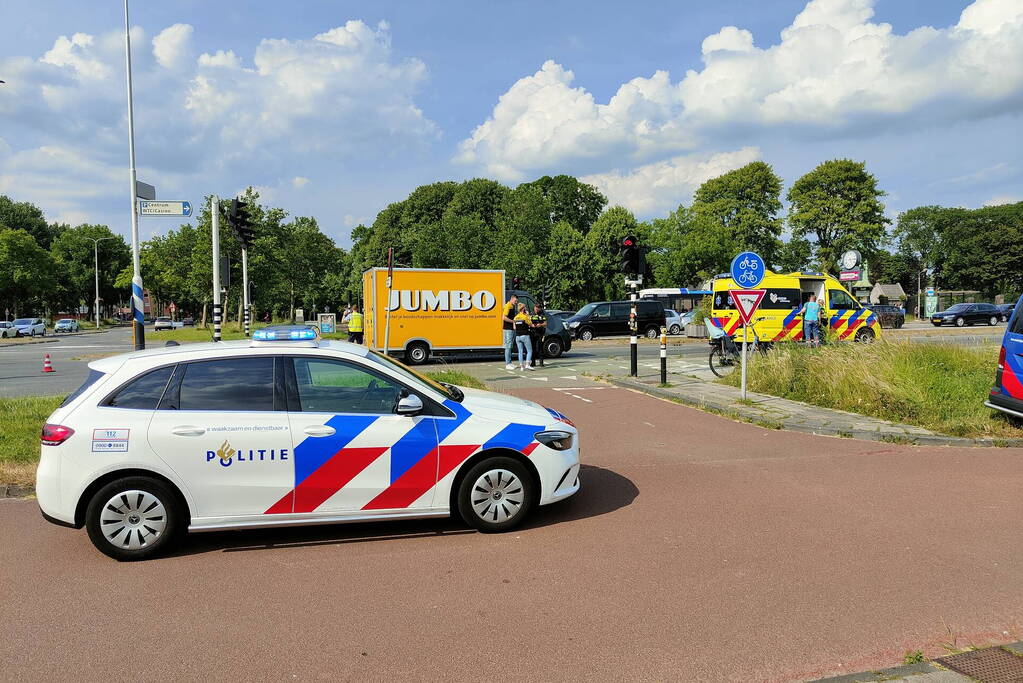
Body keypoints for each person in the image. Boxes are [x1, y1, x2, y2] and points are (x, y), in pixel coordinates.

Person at [513, 302, 533, 370]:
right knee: (529, 350)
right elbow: (531, 324)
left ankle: (522, 366)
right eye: (525, 307)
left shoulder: (515, 317)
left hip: (517, 336)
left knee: (520, 351)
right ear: (523, 309)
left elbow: (514, 328)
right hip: (525, 335)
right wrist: (528, 315)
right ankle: (527, 364)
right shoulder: (525, 317)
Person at [501, 293, 518, 370]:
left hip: (511, 328)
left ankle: (510, 362)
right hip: (508, 328)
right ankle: (507, 363)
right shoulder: (508, 306)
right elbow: (504, 318)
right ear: (512, 298)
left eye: (517, 301)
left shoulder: (512, 306)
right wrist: (513, 321)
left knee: (510, 346)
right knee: (508, 346)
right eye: (515, 300)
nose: (516, 302)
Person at [529, 303, 547, 367]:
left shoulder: (542, 314)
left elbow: (545, 323)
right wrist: (531, 325)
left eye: (538, 308)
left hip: (540, 333)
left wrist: (540, 325)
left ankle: (541, 362)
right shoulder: (531, 314)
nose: (536, 309)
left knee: (540, 347)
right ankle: (533, 362)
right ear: (534, 308)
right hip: (532, 332)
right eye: (536, 308)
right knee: (533, 348)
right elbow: (528, 322)